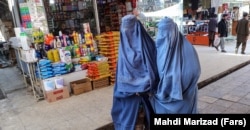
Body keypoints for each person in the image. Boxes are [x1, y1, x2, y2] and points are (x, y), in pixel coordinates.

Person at [111, 14, 159, 129]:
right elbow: (120, 82)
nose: (128, 34)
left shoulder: (149, 46)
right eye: (125, 30)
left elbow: (156, 73)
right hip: (129, 104)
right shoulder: (123, 52)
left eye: (131, 30)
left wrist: (142, 86)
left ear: (138, 28)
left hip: (148, 100)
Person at [150, 17, 201, 114]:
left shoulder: (187, 48)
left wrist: (180, 85)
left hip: (185, 96)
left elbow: (195, 71)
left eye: (167, 31)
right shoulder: (157, 48)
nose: (164, 35)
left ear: (175, 30)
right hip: (162, 97)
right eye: (161, 31)